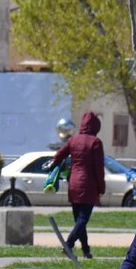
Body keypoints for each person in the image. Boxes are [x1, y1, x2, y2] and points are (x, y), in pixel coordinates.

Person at [47, 111, 105, 260]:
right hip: (88, 184)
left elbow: (60, 154)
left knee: (79, 220)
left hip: (73, 183)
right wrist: (101, 187)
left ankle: (86, 251)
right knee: (83, 219)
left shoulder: (74, 140)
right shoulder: (95, 142)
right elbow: (99, 168)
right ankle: (69, 244)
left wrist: (53, 163)